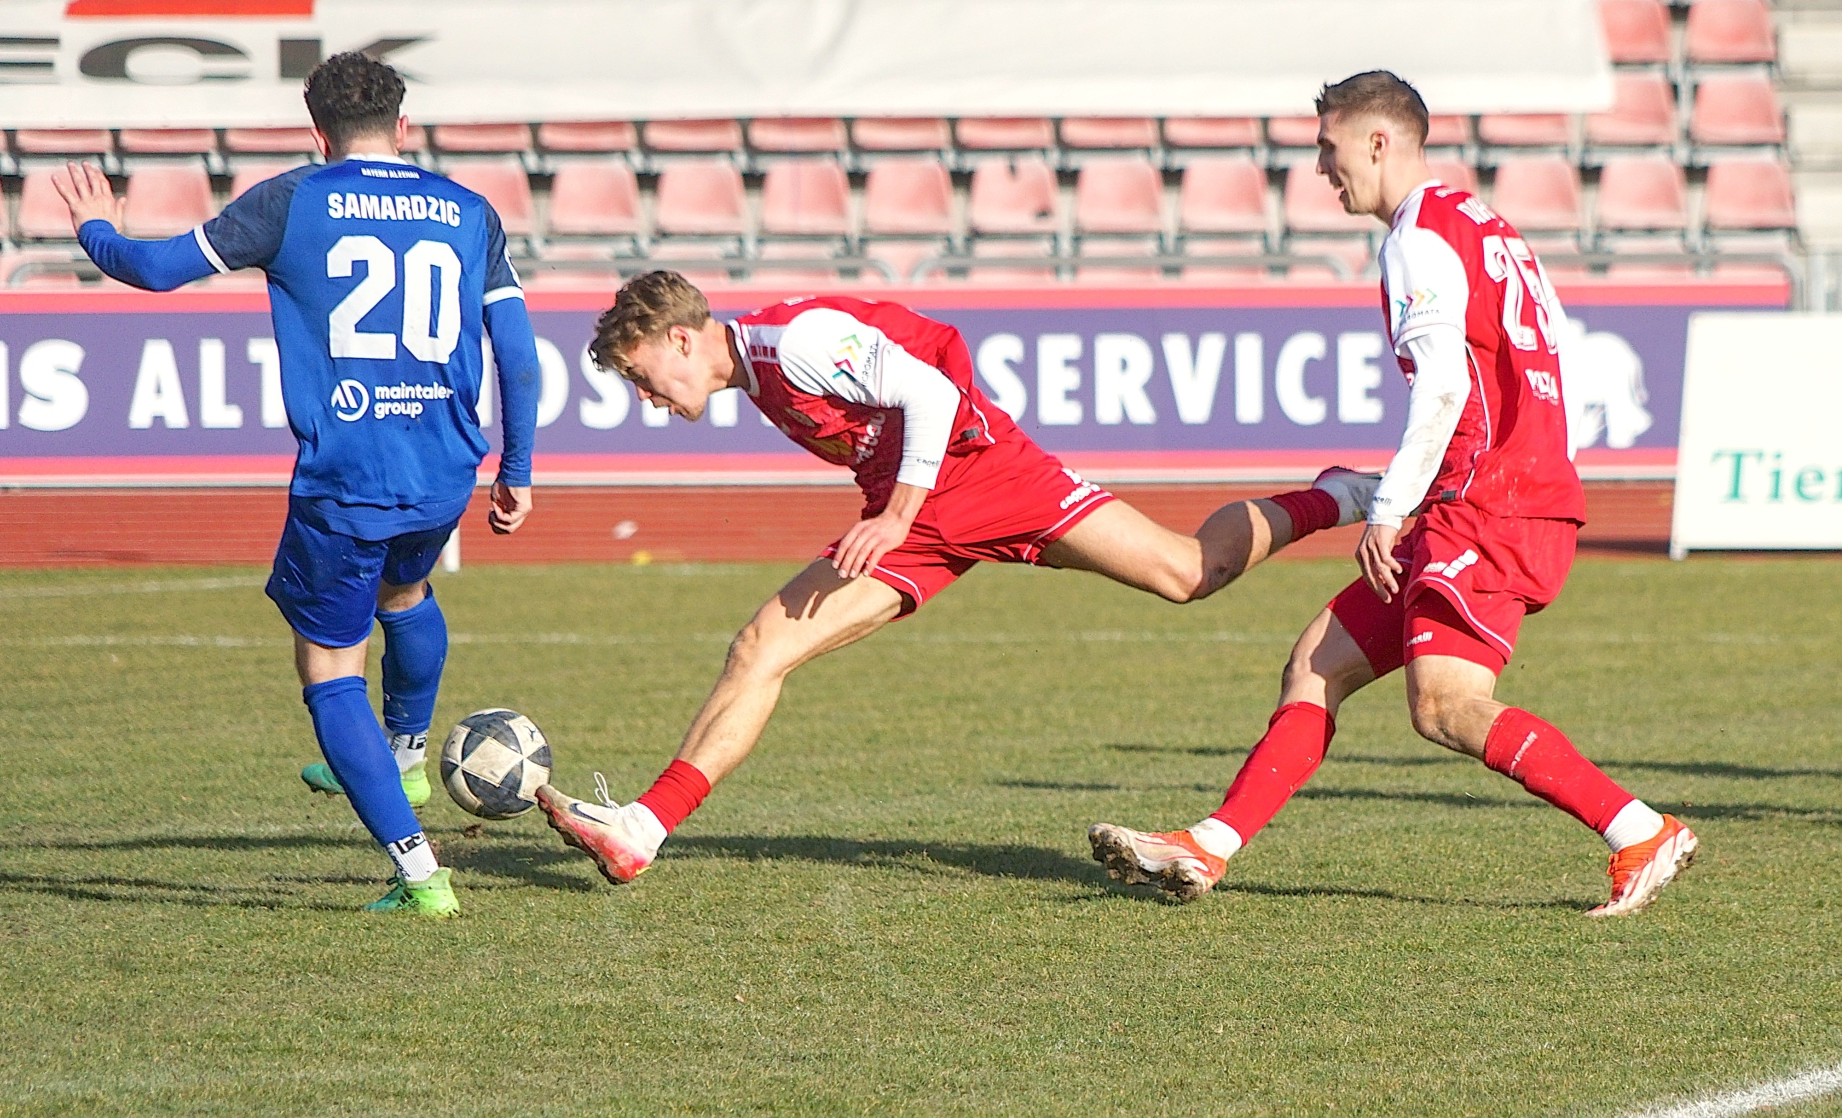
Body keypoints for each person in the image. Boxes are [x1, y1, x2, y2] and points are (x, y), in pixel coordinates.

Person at [533, 271, 1380, 885]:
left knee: (1191, 570)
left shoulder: (796, 344)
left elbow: (932, 395)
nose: (645, 397)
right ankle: (642, 829)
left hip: (985, 479)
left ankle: (1341, 495)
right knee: (761, 646)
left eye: (641, 374)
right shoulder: (759, 375)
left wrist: (895, 516)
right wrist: (900, 514)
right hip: (922, 517)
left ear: (681, 339)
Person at [1088, 71, 1696, 918]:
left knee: (1445, 707)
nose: (1319, 168)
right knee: (1316, 663)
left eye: (1327, 147)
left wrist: (1388, 506)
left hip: (1490, 503)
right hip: (1490, 492)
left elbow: (1444, 384)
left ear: (1377, 142)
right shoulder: (1487, 226)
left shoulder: (1418, 236)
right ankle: (1208, 847)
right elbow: (1537, 364)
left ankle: (1638, 830)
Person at [54, 51, 541, 918]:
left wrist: (96, 228)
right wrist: (519, 468)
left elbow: (154, 270)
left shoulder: (293, 200)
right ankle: (405, 757)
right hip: (445, 470)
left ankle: (421, 875)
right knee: (406, 591)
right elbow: (518, 354)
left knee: (327, 668)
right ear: (403, 127)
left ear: (318, 133)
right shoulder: (471, 212)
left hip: (347, 476)